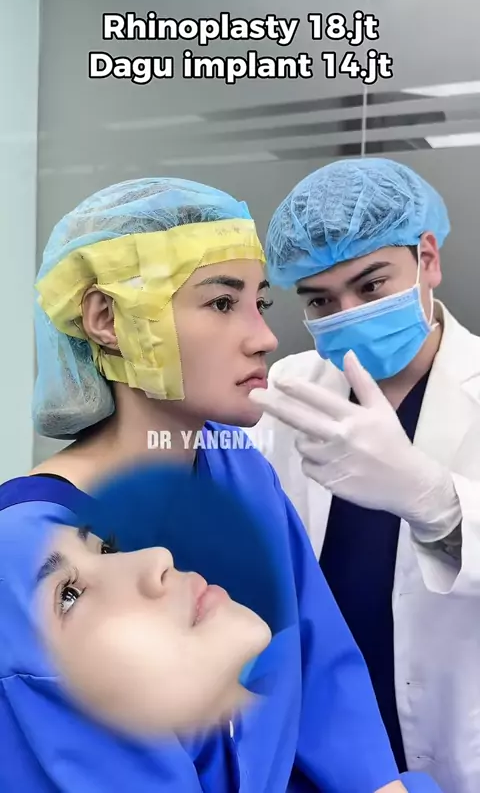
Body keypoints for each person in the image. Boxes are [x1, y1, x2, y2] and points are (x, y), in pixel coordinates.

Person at [0, 177, 438, 792]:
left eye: (261, 303)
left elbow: (318, 665)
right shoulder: (30, 560)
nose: (264, 339)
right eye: (222, 303)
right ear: (107, 318)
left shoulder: (241, 474)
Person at [247, 158, 480, 793]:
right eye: (321, 300)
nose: (346, 313)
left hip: (455, 746)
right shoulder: (288, 390)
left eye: (371, 286)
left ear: (427, 258)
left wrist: (437, 502)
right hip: (325, 747)